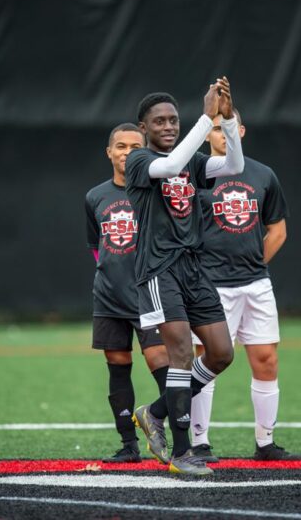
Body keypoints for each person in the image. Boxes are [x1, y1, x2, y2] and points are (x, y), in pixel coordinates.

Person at [126, 79, 244, 476]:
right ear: (144, 128)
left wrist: (226, 120)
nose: (168, 126)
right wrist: (206, 116)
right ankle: (181, 452)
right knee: (179, 354)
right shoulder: (139, 161)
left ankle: (155, 412)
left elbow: (234, 166)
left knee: (222, 353)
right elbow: (171, 166)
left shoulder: (191, 159)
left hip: (194, 268)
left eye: (173, 120)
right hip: (159, 269)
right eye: (159, 121)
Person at [190, 109, 300, 462]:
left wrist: (253, 263)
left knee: (266, 359)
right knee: (207, 360)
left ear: (241, 131)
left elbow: (278, 230)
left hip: (255, 284)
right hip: (210, 285)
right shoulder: (196, 173)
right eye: (218, 129)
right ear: (208, 135)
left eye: (230, 128)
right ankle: (199, 441)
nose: (224, 134)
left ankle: (266, 443)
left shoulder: (263, 174)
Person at [85, 123, 170, 463]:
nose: (127, 153)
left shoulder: (154, 190)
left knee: (162, 363)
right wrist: (109, 271)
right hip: (108, 297)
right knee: (117, 365)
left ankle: (176, 437)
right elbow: (95, 244)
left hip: (149, 294)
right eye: (121, 146)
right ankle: (128, 445)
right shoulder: (95, 196)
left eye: (136, 147)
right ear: (109, 152)